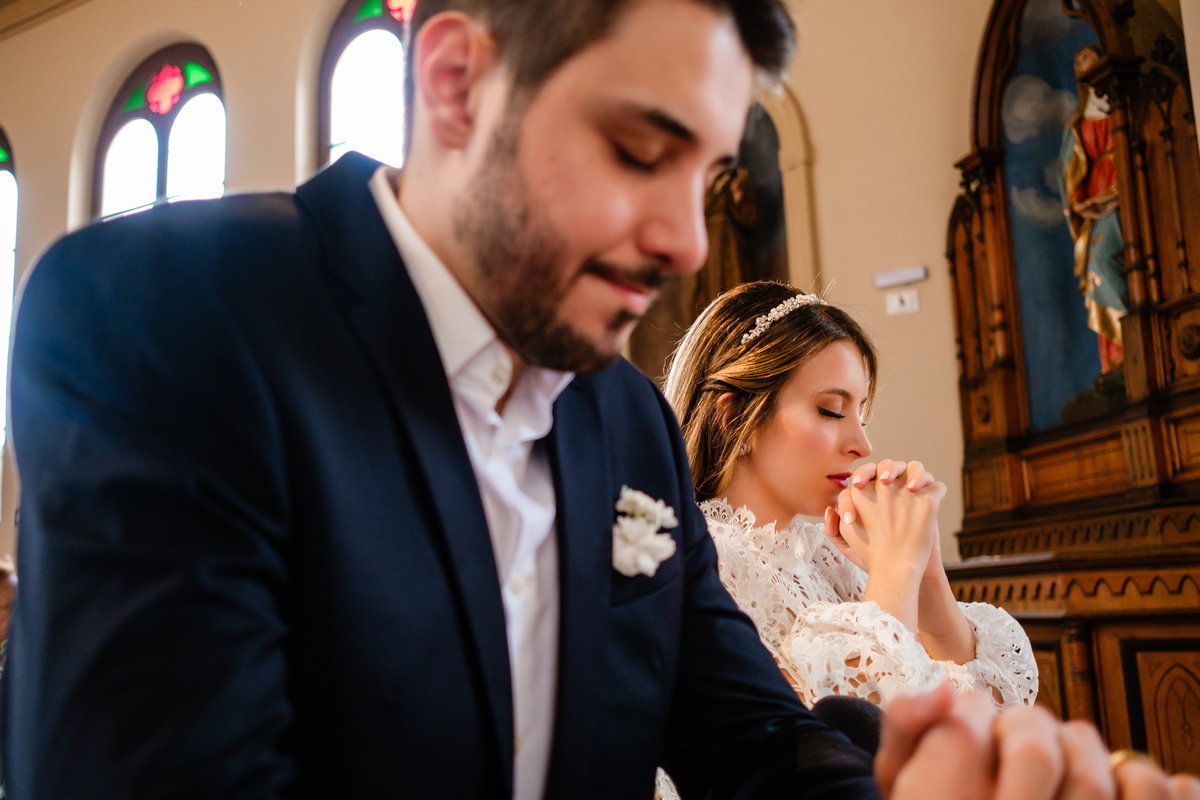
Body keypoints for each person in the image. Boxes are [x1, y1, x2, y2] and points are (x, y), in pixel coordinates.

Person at [4, 0, 1196, 799]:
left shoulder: (627, 420)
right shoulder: (170, 314)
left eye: (708, 171)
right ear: (457, 83)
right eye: (638, 150)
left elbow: (750, 741)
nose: (687, 241)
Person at [661, 280, 1038, 708]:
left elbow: (985, 710)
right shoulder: (697, 564)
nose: (863, 445)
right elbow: (840, 731)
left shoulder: (830, 561)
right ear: (731, 419)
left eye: (861, 414)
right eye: (831, 411)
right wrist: (895, 568)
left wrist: (926, 575)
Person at [1060, 42, 1127, 375]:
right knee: (1093, 266)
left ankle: (1132, 335)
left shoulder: (1123, 104)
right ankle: (1117, 355)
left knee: (1102, 260)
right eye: (1076, 61)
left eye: (1085, 57)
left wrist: (1117, 194)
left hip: (1126, 193)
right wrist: (1079, 202)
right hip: (1097, 203)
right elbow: (1071, 167)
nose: (1078, 65)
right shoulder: (1078, 121)